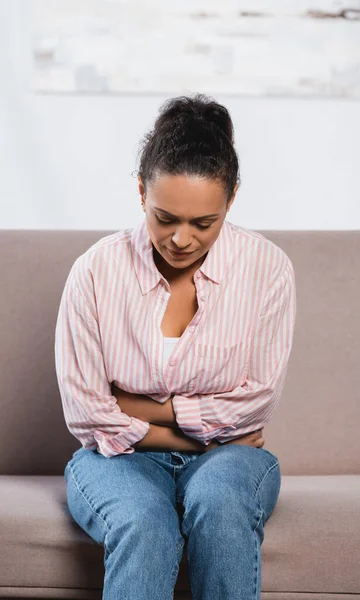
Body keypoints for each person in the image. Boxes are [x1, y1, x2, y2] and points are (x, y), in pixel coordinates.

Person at [55, 93, 296, 600]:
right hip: (115, 460)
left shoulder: (268, 269)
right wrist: (200, 437)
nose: (181, 239)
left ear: (230, 199)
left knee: (221, 505)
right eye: (165, 218)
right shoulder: (96, 271)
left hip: (230, 462)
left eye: (203, 224)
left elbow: (257, 400)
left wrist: (138, 405)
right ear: (141, 191)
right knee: (145, 523)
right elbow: (88, 413)